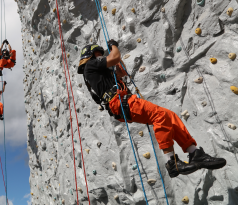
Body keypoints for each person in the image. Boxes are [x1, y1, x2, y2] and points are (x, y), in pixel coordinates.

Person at [77, 41, 227, 178]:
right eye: (99, 54)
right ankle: (172, 162)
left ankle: (194, 152)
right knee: (160, 116)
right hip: (120, 101)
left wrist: (116, 62)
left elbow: (121, 72)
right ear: (91, 54)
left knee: (170, 116)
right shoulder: (91, 65)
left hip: (122, 102)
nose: (101, 56)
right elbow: (114, 57)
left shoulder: (100, 73)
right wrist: (113, 47)